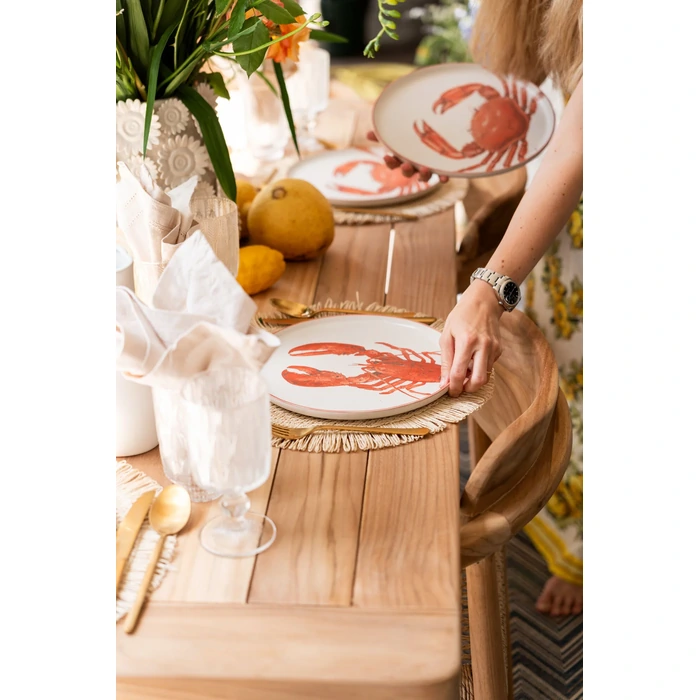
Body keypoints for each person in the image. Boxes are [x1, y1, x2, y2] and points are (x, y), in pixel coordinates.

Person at [369, 0, 583, 616]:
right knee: (562, 377)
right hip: (555, 240)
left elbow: (578, 147)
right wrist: (445, 143)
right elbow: (531, 97)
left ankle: (588, 552)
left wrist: (487, 289)